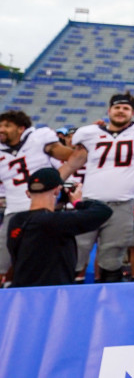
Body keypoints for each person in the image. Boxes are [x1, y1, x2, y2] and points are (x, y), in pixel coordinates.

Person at [59, 92, 134, 283]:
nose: (121, 111)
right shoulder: (91, 134)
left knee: (112, 258)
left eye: (126, 108)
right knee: (77, 252)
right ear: (109, 110)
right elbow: (71, 164)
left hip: (122, 204)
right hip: (90, 202)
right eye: (117, 107)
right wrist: (51, 186)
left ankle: (106, 299)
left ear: (133, 113)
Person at [0, 110, 76, 281]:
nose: (1, 129)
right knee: (5, 259)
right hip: (14, 212)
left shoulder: (38, 138)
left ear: (21, 128)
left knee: (42, 260)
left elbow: (67, 155)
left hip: (44, 212)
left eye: (6, 125)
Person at [5, 168, 113, 287]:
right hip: (54, 294)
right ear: (57, 191)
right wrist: (78, 202)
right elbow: (103, 211)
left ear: (27, 193)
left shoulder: (16, 221)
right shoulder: (57, 222)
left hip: (24, 293)